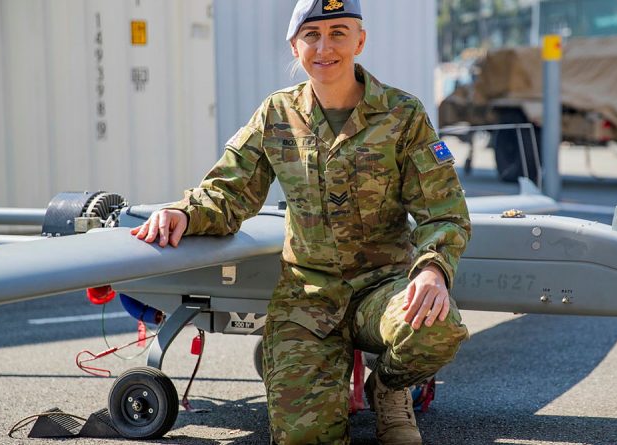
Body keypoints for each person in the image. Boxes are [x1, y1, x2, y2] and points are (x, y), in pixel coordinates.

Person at [131, 1, 471, 443]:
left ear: (360, 41)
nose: (324, 46)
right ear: (295, 46)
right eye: (312, 35)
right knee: (303, 437)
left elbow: (443, 210)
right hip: (308, 297)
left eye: (338, 32)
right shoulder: (277, 114)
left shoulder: (403, 115)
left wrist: (432, 269)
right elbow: (230, 190)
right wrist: (184, 211)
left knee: (436, 326)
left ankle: (388, 388)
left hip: (382, 288)